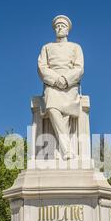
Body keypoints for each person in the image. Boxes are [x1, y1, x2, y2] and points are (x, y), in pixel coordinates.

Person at [37, 15, 84, 159]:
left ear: (67, 30)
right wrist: (56, 79)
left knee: (66, 113)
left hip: (70, 85)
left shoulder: (76, 47)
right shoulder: (46, 47)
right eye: (57, 26)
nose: (59, 28)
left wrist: (66, 79)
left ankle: (59, 149)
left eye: (62, 26)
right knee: (52, 107)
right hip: (52, 84)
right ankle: (67, 150)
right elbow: (42, 67)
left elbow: (79, 68)